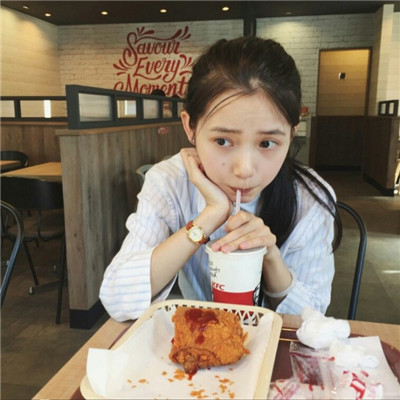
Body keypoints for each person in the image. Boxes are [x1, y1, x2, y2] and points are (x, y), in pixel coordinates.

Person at [100, 36, 342, 322]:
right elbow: (117, 298)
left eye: (267, 143)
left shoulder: (309, 198)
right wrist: (208, 218)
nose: (244, 170)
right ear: (190, 127)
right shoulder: (170, 181)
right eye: (223, 141)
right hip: (202, 339)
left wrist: (269, 256)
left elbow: (313, 317)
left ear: (292, 133)